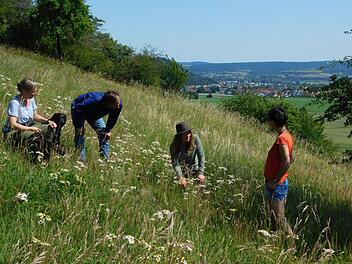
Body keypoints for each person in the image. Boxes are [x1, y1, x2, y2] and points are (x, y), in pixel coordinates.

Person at [2, 77, 59, 161]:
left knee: (49, 128)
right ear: (24, 91)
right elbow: (13, 125)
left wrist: (48, 121)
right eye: (33, 92)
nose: (35, 94)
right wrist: (31, 129)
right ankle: (33, 159)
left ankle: (45, 155)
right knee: (35, 136)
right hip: (13, 132)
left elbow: (35, 115)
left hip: (28, 127)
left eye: (35, 91)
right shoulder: (15, 103)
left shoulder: (30, 99)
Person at [264, 107, 294, 237]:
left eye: (270, 121)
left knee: (279, 217)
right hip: (276, 183)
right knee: (274, 217)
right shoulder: (287, 136)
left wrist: (275, 181)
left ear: (273, 121)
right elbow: (291, 159)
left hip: (277, 184)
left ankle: (293, 245)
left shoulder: (282, 138)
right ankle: (274, 241)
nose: (269, 123)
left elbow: (287, 161)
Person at [71, 90, 122, 162]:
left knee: (104, 135)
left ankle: (104, 162)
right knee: (80, 133)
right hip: (80, 110)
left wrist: (108, 130)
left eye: (118, 102)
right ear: (108, 104)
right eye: (116, 104)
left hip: (94, 115)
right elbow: (78, 108)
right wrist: (78, 126)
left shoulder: (118, 104)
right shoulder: (94, 100)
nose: (118, 105)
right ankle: (81, 161)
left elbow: (113, 118)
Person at [170, 122, 205, 188]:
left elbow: (201, 155)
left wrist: (201, 173)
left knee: (201, 181)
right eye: (184, 134)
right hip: (181, 170)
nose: (188, 135)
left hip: (195, 169)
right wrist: (180, 177)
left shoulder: (195, 139)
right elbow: (175, 163)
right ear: (180, 136)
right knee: (182, 186)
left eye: (189, 133)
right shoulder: (174, 145)